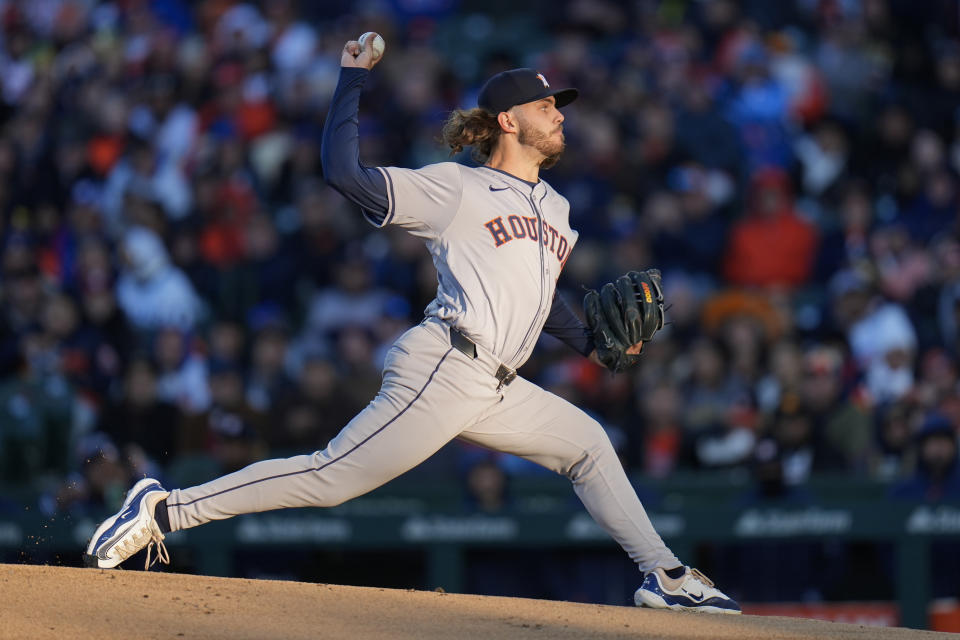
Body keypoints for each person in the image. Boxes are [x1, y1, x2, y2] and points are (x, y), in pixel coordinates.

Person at [83, 34, 740, 614]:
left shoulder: (561, 210)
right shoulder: (455, 187)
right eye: (546, 107)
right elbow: (344, 173)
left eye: (558, 106)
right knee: (329, 478)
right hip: (446, 365)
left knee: (589, 445)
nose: (559, 114)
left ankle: (667, 575)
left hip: (496, 384)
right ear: (508, 121)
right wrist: (352, 77)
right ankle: (164, 509)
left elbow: (538, 297)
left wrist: (592, 343)